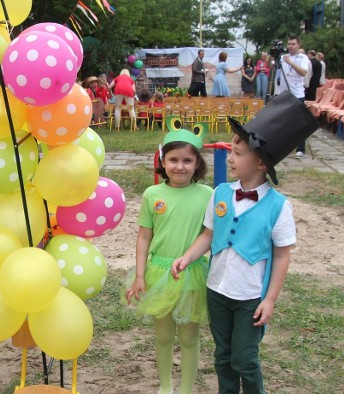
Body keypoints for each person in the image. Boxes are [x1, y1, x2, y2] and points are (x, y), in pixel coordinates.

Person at [171, 92, 320, 394]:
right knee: (223, 356)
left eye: (238, 153)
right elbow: (209, 235)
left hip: (250, 296)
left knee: (244, 359)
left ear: (261, 163)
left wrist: (270, 299)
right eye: (231, 151)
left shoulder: (279, 207)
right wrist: (187, 257)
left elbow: (281, 256)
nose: (230, 158)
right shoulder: (221, 193)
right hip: (217, 290)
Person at [125, 119, 212, 394]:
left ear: (197, 163)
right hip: (158, 273)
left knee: (189, 337)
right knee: (163, 335)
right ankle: (166, 387)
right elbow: (144, 236)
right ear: (162, 161)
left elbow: (209, 234)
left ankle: (185, 389)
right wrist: (140, 275)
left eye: (187, 160)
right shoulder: (153, 194)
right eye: (173, 159)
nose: (180, 166)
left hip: (192, 273)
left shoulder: (208, 195)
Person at [274, 35, 309, 157]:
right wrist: (273, 55)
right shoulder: (283, 57)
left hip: (296, 93)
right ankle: (282, 146)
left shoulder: (302, 57)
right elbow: (271, 65)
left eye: (293, 44)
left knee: (298, 122)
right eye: (289, 44)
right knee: (282, 121)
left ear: (298, 44)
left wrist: (291, 62)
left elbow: (303, 72)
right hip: (282, 93)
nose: (290, 46)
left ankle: (300, 148)